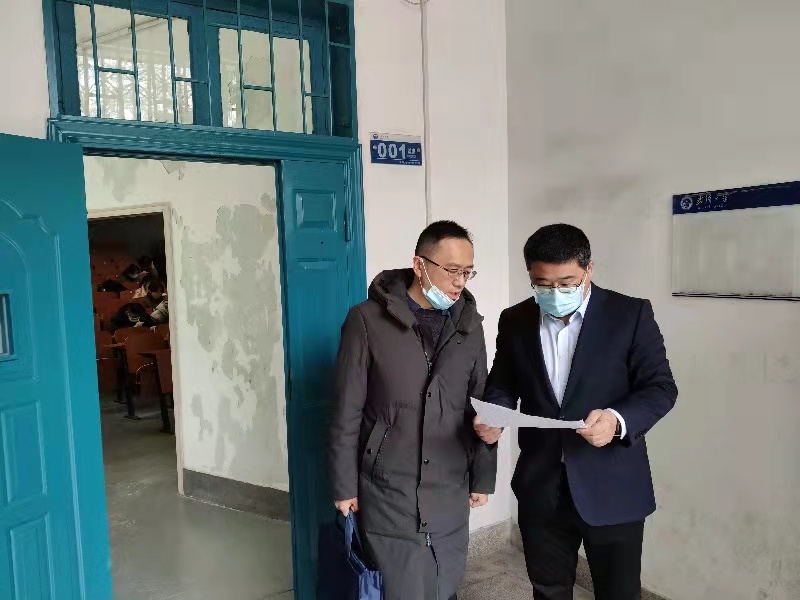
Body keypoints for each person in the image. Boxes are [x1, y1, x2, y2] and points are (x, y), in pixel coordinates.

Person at [474, 224, 678, 600]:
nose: (554, 293)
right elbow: (502, 384)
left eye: (566, 283)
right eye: (542, 284)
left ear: (589, 269)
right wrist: (496, 415)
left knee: (618, 593)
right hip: (542, 484)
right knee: (548, 590)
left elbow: (660, 387)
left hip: (612, 484)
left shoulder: (629, 314)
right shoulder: (515, 320)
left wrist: (616, 420)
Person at [330, 221, 497, 600]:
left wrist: (483, 475)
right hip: (389, 485)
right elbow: (347, 410)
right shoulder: (366, 321)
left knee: (444, 582)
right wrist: (344, 485)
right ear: (420, 265)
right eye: (451, 270)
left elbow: (481, 404)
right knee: (399, 585)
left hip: (449, 482)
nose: (460, 282)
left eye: (467, 272)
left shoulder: (470, 326)